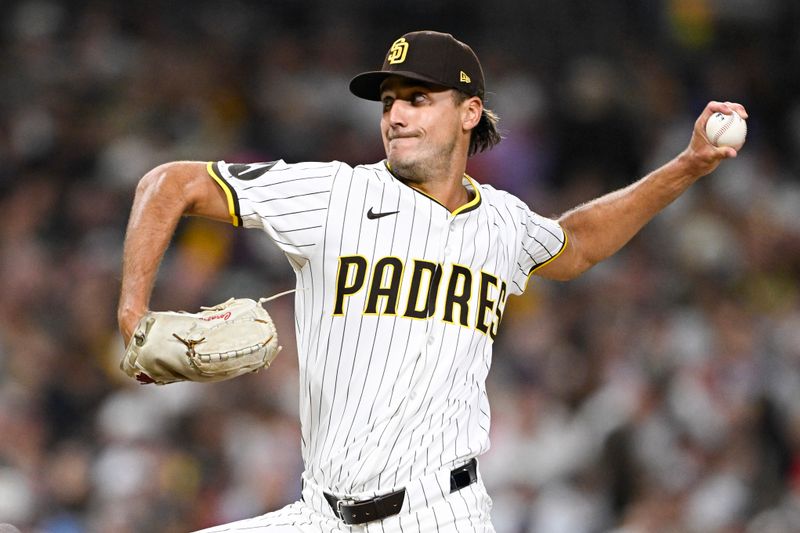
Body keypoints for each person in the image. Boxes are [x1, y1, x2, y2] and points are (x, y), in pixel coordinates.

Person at [117, 30, 747, 532]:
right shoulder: (333, 193)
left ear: (470, 111)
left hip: (440, 514)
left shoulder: (502, 222)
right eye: (389, 102)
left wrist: (688, 165)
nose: (396, 115)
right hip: (320, 513)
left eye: (418, 99)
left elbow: (577, 243)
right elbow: (169, 183)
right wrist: (132, 317)